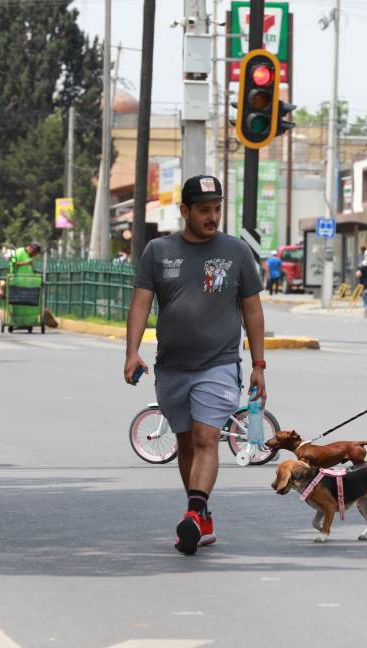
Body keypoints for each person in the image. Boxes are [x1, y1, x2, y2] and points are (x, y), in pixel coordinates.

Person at [124, 174, 266, 555]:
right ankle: (201, 517)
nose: (212, 216)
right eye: (204, 209)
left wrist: (258, 363)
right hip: (171, 366)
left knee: (206, 438)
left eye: (217, 208)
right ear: (184, 210)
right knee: (186, 442)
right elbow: (140, 303)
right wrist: (132, 351)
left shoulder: (236, 252)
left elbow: (252, 309)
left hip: (218, 364)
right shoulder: (158, 251)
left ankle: (192, 512)